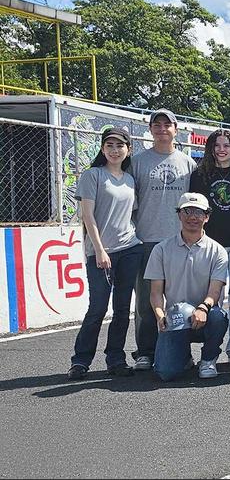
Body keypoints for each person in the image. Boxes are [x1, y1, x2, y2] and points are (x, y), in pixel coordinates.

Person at [67, 127, 144, 380]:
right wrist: (99, 250)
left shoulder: (130, 179)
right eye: (109, 145)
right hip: (100, 253)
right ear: (102, 149)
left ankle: (116, 359)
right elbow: (87, 216)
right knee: (97, 308)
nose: (114, 150)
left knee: (122, 309)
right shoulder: (93, 176)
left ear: (128, 150)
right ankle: (80, 360)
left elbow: (130, 214)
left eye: (119, 146)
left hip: (129, 249)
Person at [128, 108, 196, 371]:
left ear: (175, 129)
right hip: (147, 239)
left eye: (167, 124)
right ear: (150, 129)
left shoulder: (187, 163)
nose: (162, 129)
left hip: (180, 241)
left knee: (181, 299)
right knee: (147, 299)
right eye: (156, 124)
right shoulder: (138, 162)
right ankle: (145, 351)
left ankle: (182, 351)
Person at [189, 129, 230, 366]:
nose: (221, 149)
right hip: (211, 243)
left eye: (226, 145)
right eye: (216, 145)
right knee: (213, 296)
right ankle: (211, 350)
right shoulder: (200, 176)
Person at [145, 192, 229, 381]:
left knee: (218, 316)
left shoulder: (218, 251)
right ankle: (183, 357)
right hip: (175, 317)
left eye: (199, 212)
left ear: (207, 217)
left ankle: (208, 359)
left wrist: (203, 308)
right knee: (166, 373)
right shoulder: (161, 249)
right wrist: (160, 316)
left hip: (205, 315)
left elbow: (215, 291)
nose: (193, 217)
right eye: (187, 211)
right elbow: (155, 292)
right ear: (179, 215)